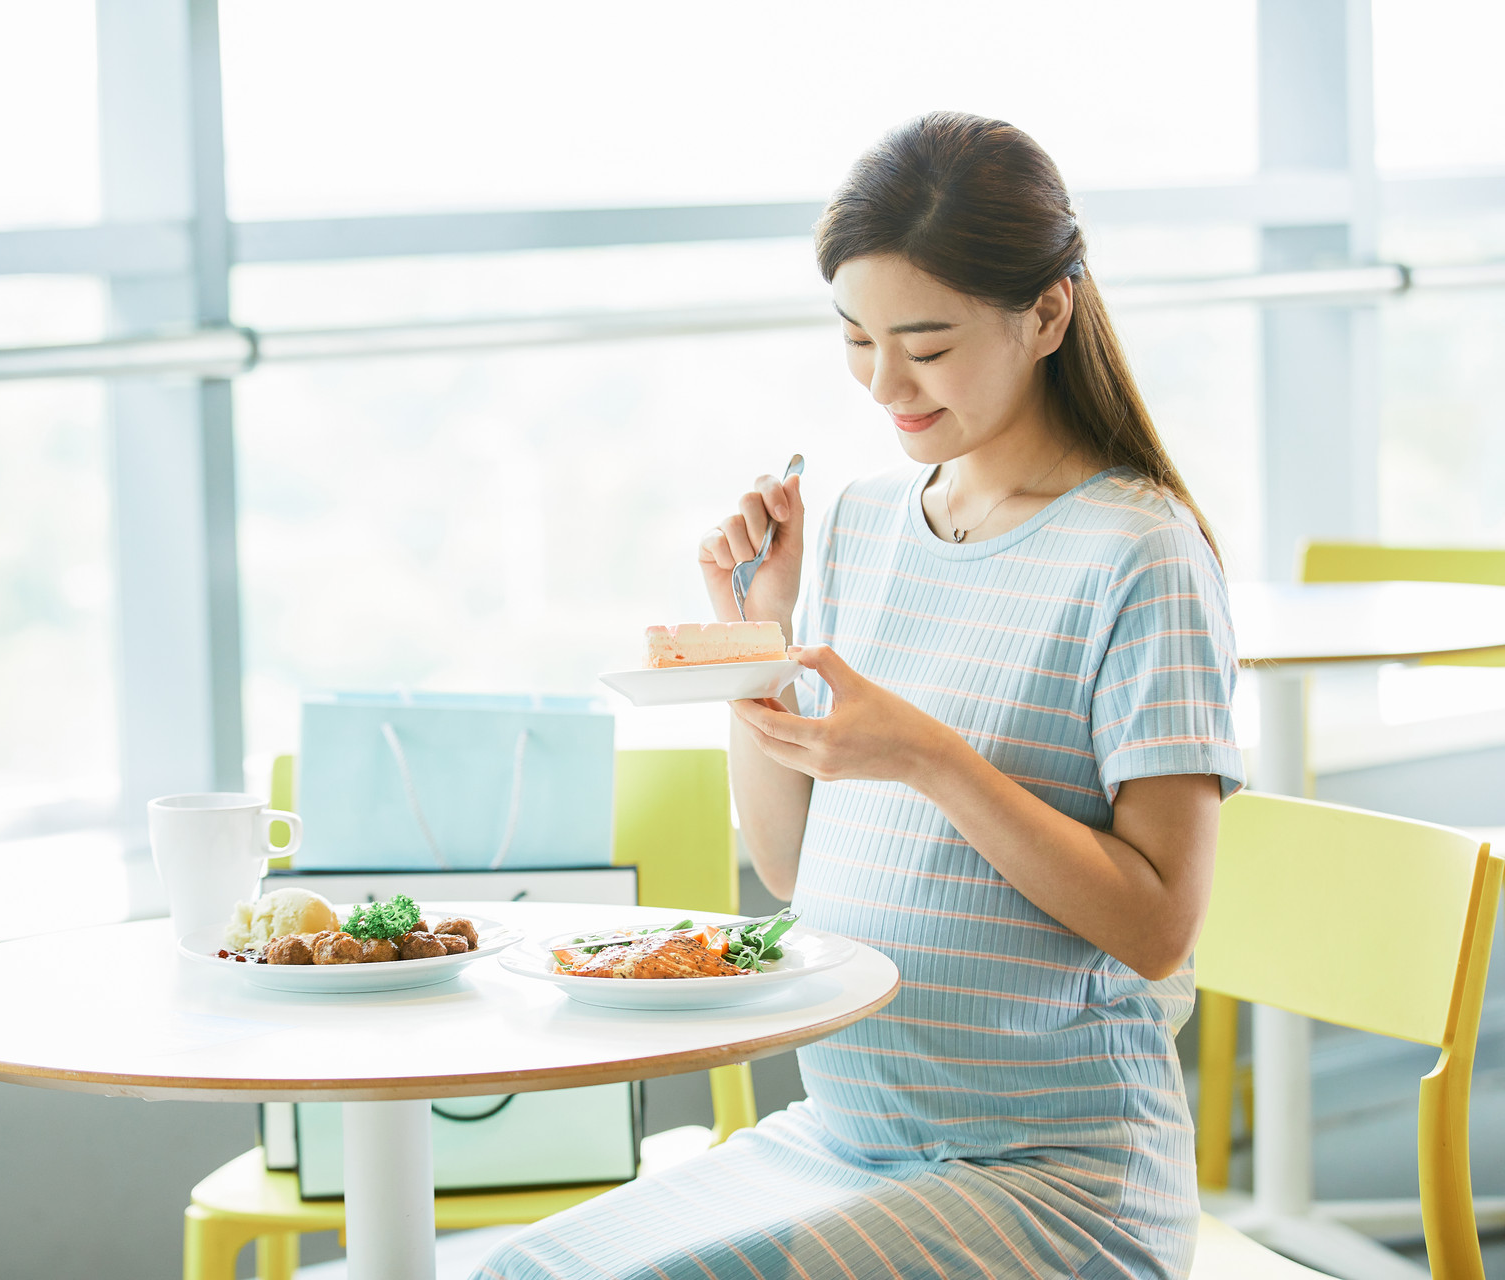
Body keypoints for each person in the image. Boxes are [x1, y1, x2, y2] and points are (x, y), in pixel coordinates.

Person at [475, 111, 1243, 1280]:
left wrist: (931, 756)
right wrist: (759, 642)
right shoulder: (868, 522)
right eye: (856, 338)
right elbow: (793, 866)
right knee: (519, 1271)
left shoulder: (1140, 551)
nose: (885, 382)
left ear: (1046, 312)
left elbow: (1157, 927)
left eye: (926, 343)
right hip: (844, 1139)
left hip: (1054, 1177)